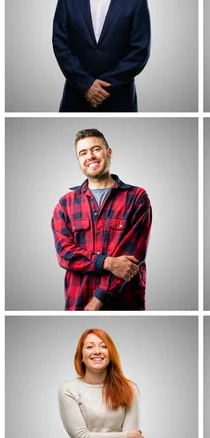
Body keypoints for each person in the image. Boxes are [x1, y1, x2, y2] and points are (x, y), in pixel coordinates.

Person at [51, 129, 152, 310]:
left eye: (96, 149)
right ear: (78, 160)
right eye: (83, 153)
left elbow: (133, 255)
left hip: (125, 303)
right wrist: (106, 262)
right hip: (78, 301)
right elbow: (65, 254)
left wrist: (100, 297)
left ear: (109, 152)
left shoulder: (137, 197)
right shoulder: (65, 204)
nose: (90, 156)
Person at [52, 0, 151, 112]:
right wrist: (86, 84)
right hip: (75, 98)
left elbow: (140, 51)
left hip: (120, 99)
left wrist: (103, 87)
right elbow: (60, 45)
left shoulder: (136, 0)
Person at [59, 328, 145, 438]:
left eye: (103, 346)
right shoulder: (69, 390)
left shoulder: (127, 389)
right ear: (81, 356)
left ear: (110, 354)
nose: (97, 351)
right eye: (90, 346)